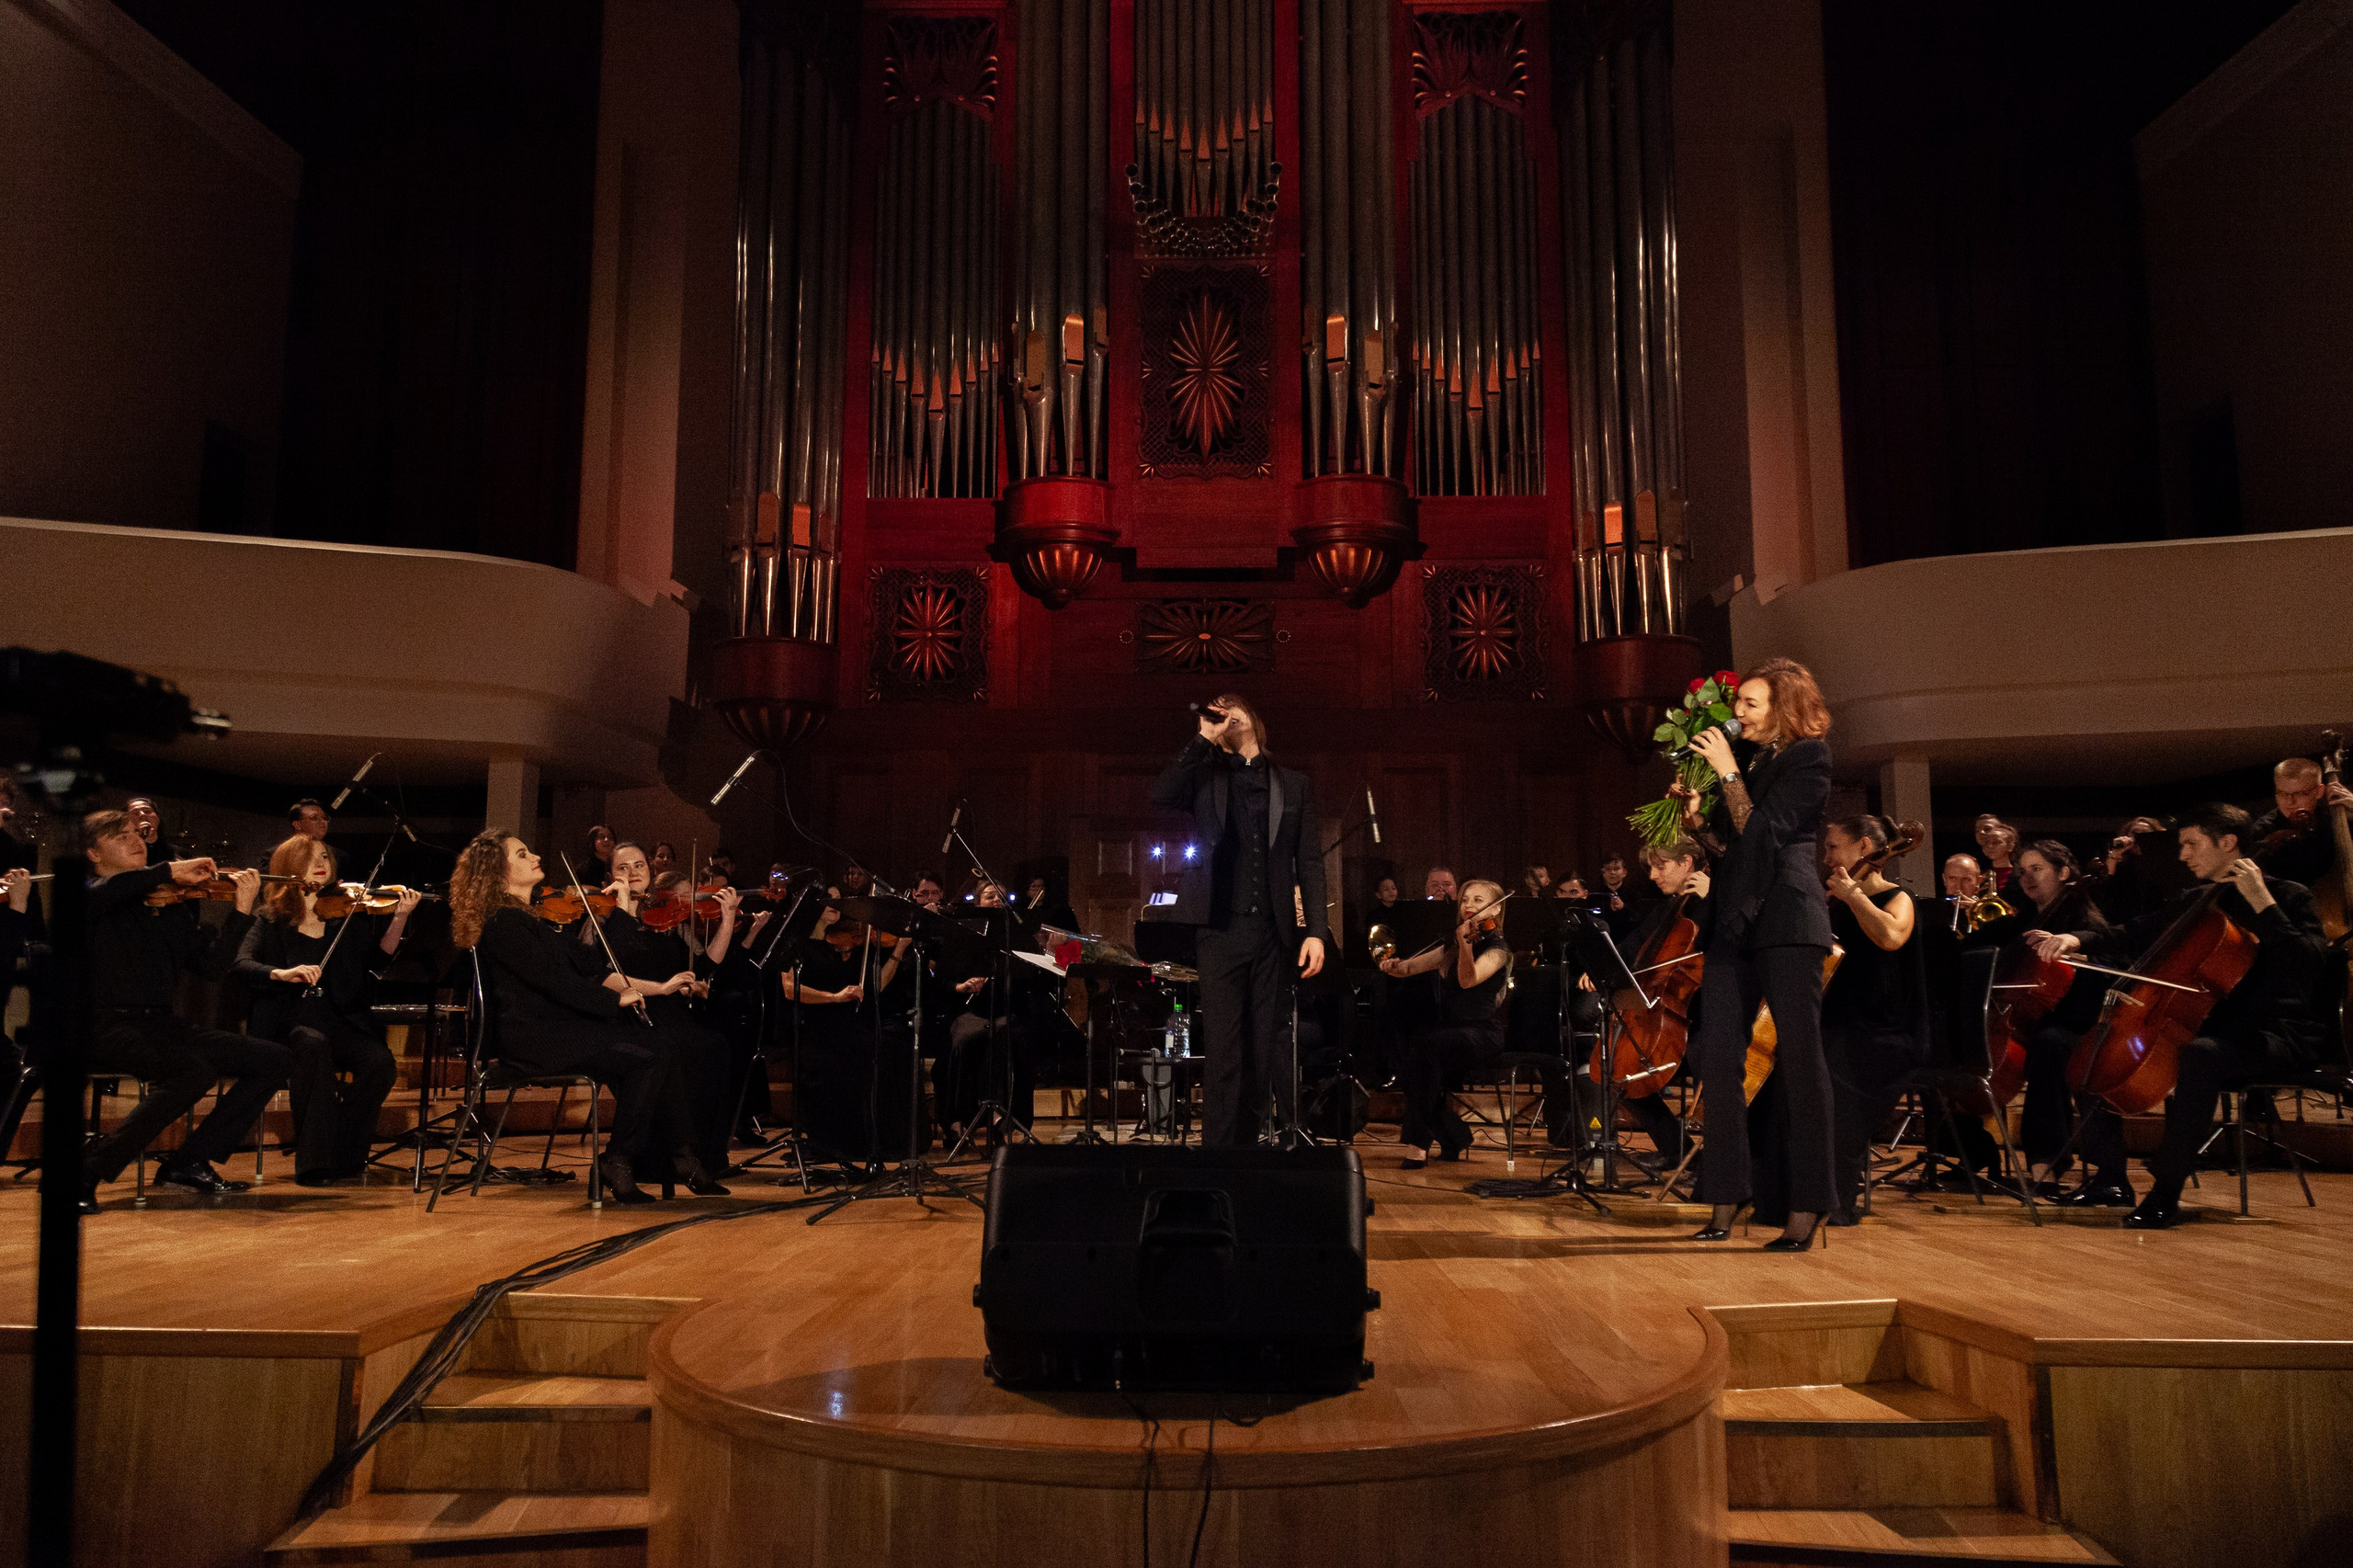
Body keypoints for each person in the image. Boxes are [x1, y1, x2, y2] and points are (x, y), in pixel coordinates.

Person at [2035, 802, 2329, 1229]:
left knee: (2200, 1055)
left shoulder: (2288, 896)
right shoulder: (2197, 900)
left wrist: (2263, 904)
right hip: (2209, 1026)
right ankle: (2111, 1178)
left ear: (2228, 843)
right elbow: (2132, 932)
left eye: (2191, 844)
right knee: (2083, 1047)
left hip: (2276, 1032)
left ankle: (2165, 1193)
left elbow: (2310, 964)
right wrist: (2073, 938)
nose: (2182, 856)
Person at [1677, 656, 1837, 1251]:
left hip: (1789, 919)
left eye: (1749, 703)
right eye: (1738, 701)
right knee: (1717, 1057)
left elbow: (1766, 836)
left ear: (1783, 708)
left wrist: (1724, 773)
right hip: (1735, 921)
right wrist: (1697, 824)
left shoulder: (1809, 757)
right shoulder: (1747, 762)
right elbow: (1732, 845)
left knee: (1799, 1062)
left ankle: (1810, 1204)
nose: (1736, 712)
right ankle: (1725, 1193)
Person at [449, 829, 699, 1204]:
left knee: (653, 1050)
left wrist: (623, 912)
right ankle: (643, 1157)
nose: (534, 856)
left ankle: (653, 1156)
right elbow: (556, 983)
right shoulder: (503, 922)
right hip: (534, 1037)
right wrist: (612, 1002)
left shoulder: (530, 918)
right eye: (521, 854)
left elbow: (587, 963)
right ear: (497, 873)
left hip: (555, 1029)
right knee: (652, 1053)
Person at [78, 812, 292, 1211]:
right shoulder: (90, 895)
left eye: (139, 835)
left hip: (157, 1023)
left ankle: (190, 1160)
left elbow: (211, 968)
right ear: (93, 853)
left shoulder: (168, 903)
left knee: (273, 1058)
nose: (137, 840)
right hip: (102, 1024)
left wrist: (242, 913)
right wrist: (171, 868)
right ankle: (87, 1172)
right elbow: (110, 892)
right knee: (192, 1072)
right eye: (121, 837)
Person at [1150, 693, 1329, 1147]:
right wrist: (1203, 739)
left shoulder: (1293, 784)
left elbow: (1308, 861)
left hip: (1274, 933)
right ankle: (1216, 1156)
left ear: (1253, 718)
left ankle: (1250, 1154)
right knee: (1225, 1051)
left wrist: (1316, 933)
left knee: (1263, 1049)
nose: (1224, 713)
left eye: (1232, 707)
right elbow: (1161, 794)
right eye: (1215, 709)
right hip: (1219, 930)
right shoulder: (1206, 775)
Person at [233, 835, 416, 1185]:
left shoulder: (345, 916)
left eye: (326, 857)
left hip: (339, 1019)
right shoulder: (271, 918)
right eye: (311, 857)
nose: (322, 863)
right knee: (313, 1047)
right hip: (289, 1021)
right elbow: (241, 964)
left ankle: (345, 1154)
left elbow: (376, 962)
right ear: (290, 867)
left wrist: (400, 918)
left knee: (379, 1063)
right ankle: (314, 1163)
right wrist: (283, 973)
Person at [1540, 839, 1710, 1165]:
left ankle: (1712, 1166)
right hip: (1662, 1014)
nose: (1653, 876)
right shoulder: (1666, 909)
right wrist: (1604, 968)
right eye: (1651, 867)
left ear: (1687, 863)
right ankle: (1679, 1151)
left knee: (1630, 1071)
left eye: (1660, 866)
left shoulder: (1706, 905)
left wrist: (1711, 901)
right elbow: (1632, 947)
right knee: (1618, 1075)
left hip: (1700, 1017)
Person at [1962, 840, 2116, 1199]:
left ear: (2064, 874)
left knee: (2049, 1045)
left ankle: (2046, 1163)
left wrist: (2077, 945)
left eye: (2037, 869)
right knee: (1965, 1036)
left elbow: (2110, 948)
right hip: (2029, 1019)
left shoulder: (2085, 920)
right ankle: (1968, 1150)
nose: (2027, 878)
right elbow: (1980, 944)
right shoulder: (2027, 919)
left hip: (2079, 1021)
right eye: (2022, 871)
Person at [588, 843, 735, 1190]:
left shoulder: (664, 916)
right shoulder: (601, 915)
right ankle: (676, 1158)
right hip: (626, 1012)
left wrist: (727, 919)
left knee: (714, 1046)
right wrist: (663, 987)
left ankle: (697, 1156)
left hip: (667, 1011)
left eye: (640, 865)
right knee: (671, 1048)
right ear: (610, 876)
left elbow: (702, 966)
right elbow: (603, 977)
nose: (634, 872)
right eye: (623, 868)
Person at [1818, 815, 1927, 1222]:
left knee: (1835, 1093)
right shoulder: (1833, 901)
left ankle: (1834, 1206)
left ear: (1864, 848)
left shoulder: (1898, 897)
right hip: (1838, 1025)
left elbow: (1891, 937)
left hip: (1882, 1034)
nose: (1826, 857)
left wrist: (1855, 898)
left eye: (1833, 847)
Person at [1381, 879, 1510, 1167]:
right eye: (1465, 900)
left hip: (1482, 1032)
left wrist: (1465, 947)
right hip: (1450, 1030)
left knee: (1424, 1049)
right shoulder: (1453, 944)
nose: (1469, 906)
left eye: (1478, 900)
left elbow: (1468, 980)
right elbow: (1410, 967)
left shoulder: (1498, 949)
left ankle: (1418, 1144)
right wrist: (1391, 965)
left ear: (1496, 910)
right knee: (1408, 1059)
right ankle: (1453, 1136)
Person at [2250, 756, 2352, 889]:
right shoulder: (2264, 831)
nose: (2290, 801)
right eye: (2282, 793)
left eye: (2300, 793)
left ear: (2319, 791)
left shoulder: (2333, 814)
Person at [1972, 815, 2021, 898]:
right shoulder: (1982, 874)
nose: (1990, 846)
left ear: (2010, 846)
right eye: (1987, 843)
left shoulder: (2021, 874)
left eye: (1996, 842)